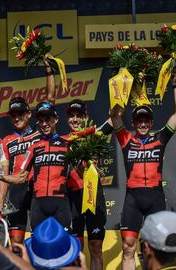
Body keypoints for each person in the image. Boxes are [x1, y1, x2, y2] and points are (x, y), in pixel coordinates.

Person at [110, 85, 176, 269]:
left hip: (155, 197)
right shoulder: (126, 139)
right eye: (139, 121)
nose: (143, 124)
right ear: (133, 123)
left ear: (151, 123)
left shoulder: (160, 138)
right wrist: (124, 82)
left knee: (157, 248)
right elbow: (115, 116)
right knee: (128, 248)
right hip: (133, 198)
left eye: (146, 121)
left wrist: (175, 85)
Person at [0, 102, 71, 230]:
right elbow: (19, 177)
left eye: (47, 120)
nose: (44, 124)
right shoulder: (30, 147)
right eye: (41, 121)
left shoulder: (67, 143)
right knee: (36, 244)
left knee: (63, 245)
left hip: (59, 200)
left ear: (56, 119)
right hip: (33, 200)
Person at [0, 56, 55, 244]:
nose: (16, 118)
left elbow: (50, 101)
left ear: (29, 114)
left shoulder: (40, 132)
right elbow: (3, 174)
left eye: (20, 114)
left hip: (38, 189)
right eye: (13, 115)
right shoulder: (6, 141)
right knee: (16, 243)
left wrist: (48, 70)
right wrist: (0, 204)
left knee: (42, 238)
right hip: (16, 191)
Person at [63, 99, 113, 270]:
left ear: (86, 117)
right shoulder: (62, 141)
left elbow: (113, 120)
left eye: (79, 115)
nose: (75, 119)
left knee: (96, 247)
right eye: (71, 116)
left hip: (94, 196)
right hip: (73, 199)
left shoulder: (95, 134)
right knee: (75, 249)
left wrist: (120, 92)